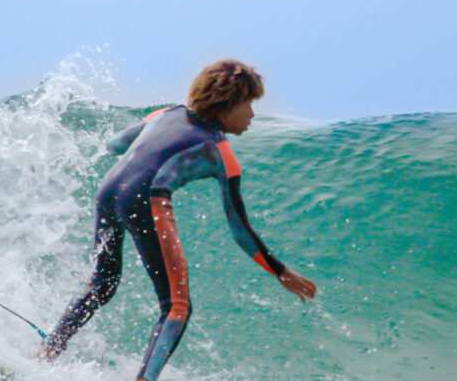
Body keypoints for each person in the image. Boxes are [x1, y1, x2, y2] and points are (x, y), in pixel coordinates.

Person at [36, 59, 316, 380]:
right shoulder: (220, 152)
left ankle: (46, 353)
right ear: (229, 104)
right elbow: (240, 230)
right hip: (146, 198)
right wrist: (280, 272)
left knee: (103, 284)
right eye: (248, 105)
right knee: (176, 307)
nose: (252, 114)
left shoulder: (163, 115)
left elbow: (114, 145)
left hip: (109, 189)